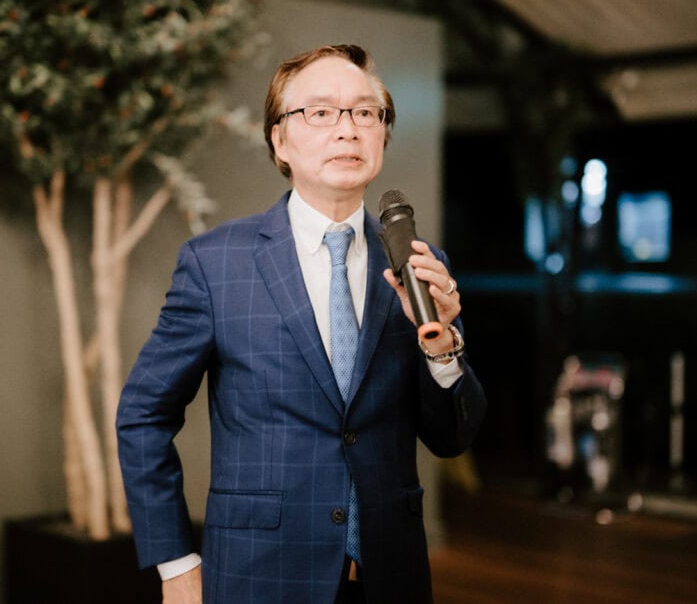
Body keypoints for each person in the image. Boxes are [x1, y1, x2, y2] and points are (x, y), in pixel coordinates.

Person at [116, 44, 486, 604]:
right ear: (279, 140)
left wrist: (443, 346)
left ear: (383, 135)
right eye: (320, 112)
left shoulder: (416, 263)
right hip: (260, 576)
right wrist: (176, 564)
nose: (348, 129)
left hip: (392, 577)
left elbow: (452, 437)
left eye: (366, 113)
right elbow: (143, 416)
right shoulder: (216, 263)